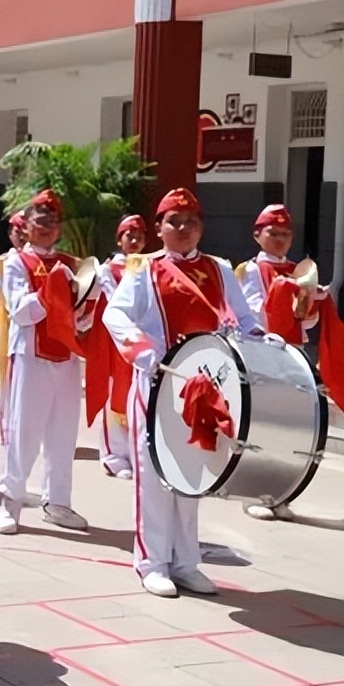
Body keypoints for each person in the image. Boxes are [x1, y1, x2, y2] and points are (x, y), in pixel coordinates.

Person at [102, 188, 262, 598]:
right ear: (159, 229)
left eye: (191, 222)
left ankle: (186, 562)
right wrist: (141, 349)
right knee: (155, 474)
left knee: (193, 473)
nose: (184, 229)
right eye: (174, 222)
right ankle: (152, 562)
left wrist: (260, 336)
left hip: (206, 387)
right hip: (159, 381)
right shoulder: (145, 269)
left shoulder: (221, 269)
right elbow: (115, 313)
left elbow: (243, 317)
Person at [234, 204, 344, 520]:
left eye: (286, 234)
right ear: (257, 235)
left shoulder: (299, 270)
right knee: (262, 427)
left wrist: (314, 304)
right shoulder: (248, 271)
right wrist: (287, 294)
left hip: (294, 355)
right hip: (264, 355)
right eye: (273, 233)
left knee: (293, 428)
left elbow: (307, 323)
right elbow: (250, 312)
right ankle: (251, 494)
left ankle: (281, 492)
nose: (280, 240)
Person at [0, 190, 95, 535]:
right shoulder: (15, 262)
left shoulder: (71, 264)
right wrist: (52, 291)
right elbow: (20, 312)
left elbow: (81, 319)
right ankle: (10, 503)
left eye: (53, 220)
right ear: (26, 224)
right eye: (40, 219)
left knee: (64, 433)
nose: (47, 226)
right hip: (31, 355)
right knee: (25, 431)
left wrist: (86, 307)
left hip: (65, 356)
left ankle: (58, 502)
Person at [85, 214, 147, 481]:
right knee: (115, 396)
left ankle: (136, 454)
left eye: (139, 236)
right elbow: (112, 303)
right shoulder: (107, 270)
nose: (133, 240)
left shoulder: (150, 266)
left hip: (143, 340)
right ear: (119, 239)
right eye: (128, 235)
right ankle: (113, 455)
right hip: (115, 343)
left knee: (138, 396)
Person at [0, 211, 27, 434]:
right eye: (16, 232)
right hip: (8, 325)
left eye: (24, 232)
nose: (20, 237)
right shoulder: (1, 264)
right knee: (8, 379)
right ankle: (8, 427)